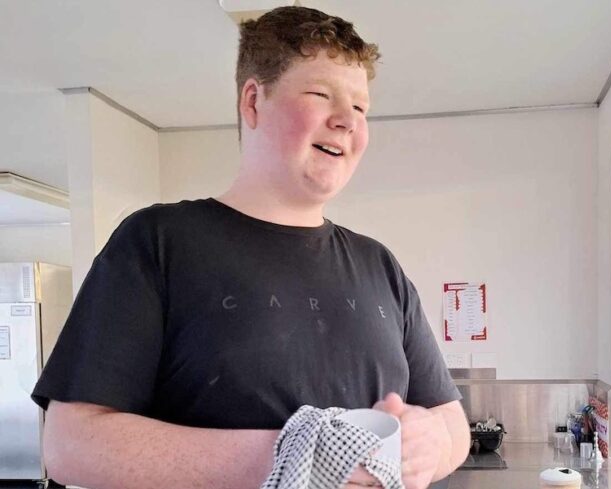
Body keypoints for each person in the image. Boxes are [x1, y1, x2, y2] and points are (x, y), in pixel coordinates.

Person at [32, 6, 469, 489]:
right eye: (321, 95)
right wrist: (306, 456)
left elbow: (451, 422)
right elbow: (70, 444)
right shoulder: (157, 242)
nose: (347, 120)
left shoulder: (379, 264)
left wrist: (431, 445)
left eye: (361, 107)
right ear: (254, 102)